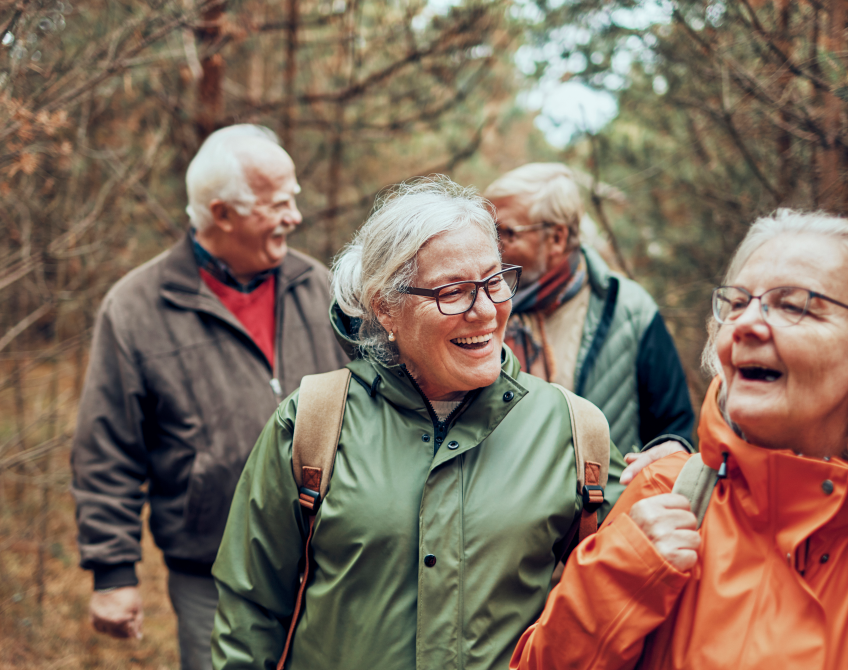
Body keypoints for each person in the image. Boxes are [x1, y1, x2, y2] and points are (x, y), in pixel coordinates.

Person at [210, 177, 631, 670]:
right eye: (452, 292)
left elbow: (640, 580)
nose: (485, 311)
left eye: (494, 282)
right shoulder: (314, 421)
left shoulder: (575, 431)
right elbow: (249, 614)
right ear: (386, 307)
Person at [510, 209, 848, 670]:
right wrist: (615, 581)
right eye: (737, 303)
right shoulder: (662, 496)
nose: (747, 323)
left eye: (793, 306)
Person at [71, 124, 347, 670]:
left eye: (294, 199)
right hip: (211, 569)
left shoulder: (323, 288)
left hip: (334, 561)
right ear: (222, 214)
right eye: (277, 204)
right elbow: (108, 447)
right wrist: (113, 573)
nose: (295, 217)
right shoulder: (135, 308)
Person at [484, 164, 694, 478]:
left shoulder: (630, 310)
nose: (491, 245)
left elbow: (673, 435)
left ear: (557, 238)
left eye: (506, 233)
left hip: (603, 515)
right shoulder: (479, 306)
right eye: (488, 230)